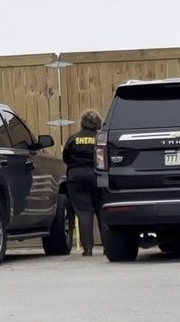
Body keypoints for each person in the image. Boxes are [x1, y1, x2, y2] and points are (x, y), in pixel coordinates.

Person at [62, 108, 103, 257]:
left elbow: (65, 157)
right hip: (97, 176)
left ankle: (88, 249)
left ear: (82, 123)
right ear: (98, 123)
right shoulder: (101, 138)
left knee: (84, 213)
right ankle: (108, 247)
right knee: (102, 211)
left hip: (76, 177)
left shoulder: (73, 139)